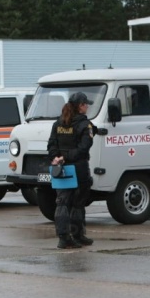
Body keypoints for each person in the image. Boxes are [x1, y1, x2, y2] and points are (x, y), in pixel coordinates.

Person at [47, 91, 96, 249]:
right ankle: (77, 235)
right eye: (85, 104)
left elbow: (51, 146)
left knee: (62, 202)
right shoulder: (84, 125)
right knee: (78, 203)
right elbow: (84, 148)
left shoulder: (58, 124)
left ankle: (64, 237)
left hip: (61, 168)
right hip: (78, 167)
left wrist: (58, 158)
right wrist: (67, 157)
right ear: (80, 106)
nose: (87, 106)